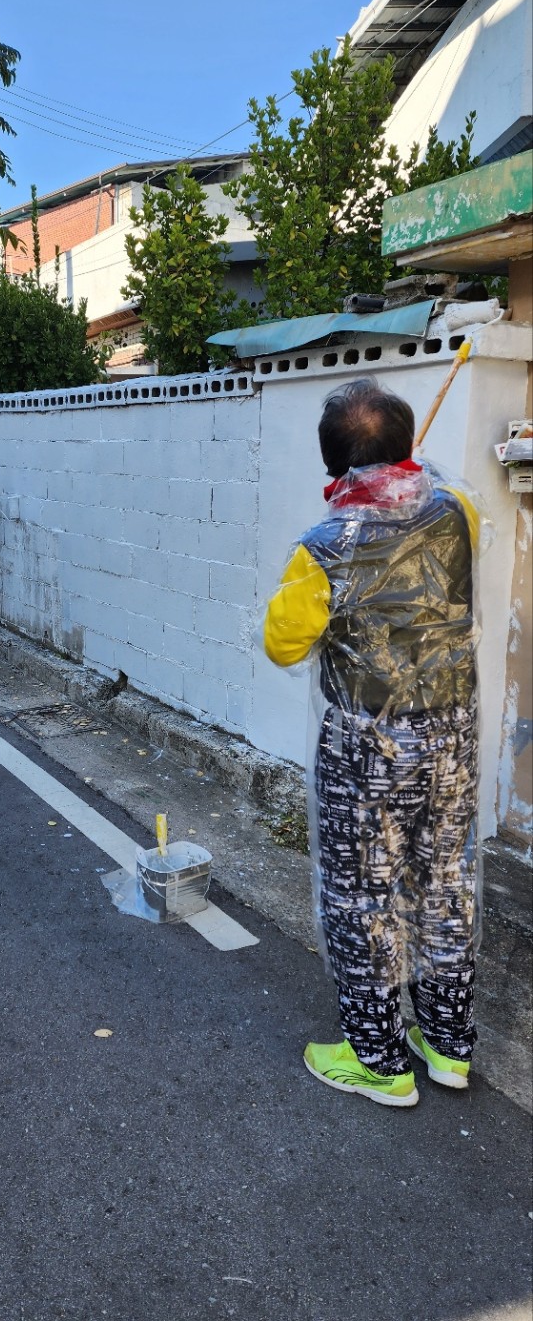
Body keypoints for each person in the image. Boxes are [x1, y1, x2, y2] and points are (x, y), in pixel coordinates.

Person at [263, 377, 486, 1109]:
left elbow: (282, 645)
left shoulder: (323, 548)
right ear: (406, 446)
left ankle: (376, 1058)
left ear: (333, 464)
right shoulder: (458, 512)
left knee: (362, 898)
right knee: (445, 882)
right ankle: (447, 1044)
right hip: (452, 731)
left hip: (367, 746)